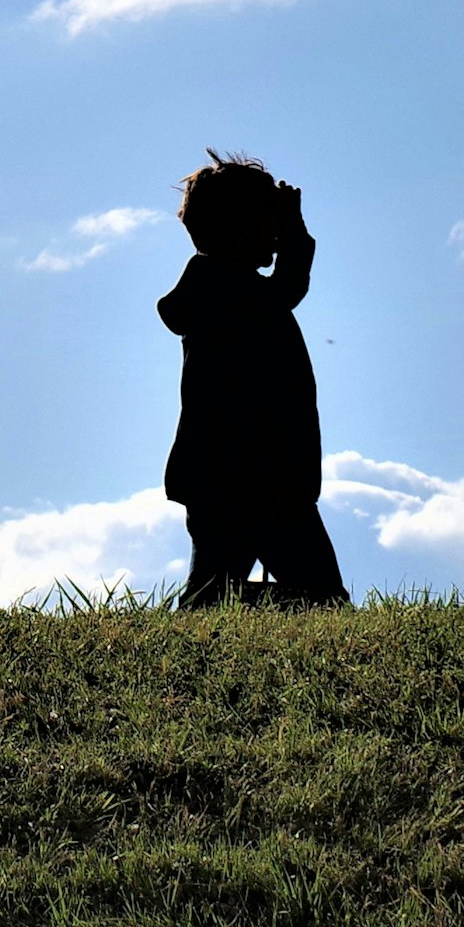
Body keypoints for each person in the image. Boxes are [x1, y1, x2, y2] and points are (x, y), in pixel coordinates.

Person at [156, 151, 349, 611]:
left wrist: (289, 229)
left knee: (216, 592)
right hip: (253, 475)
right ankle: (240, 606)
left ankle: (234, 606)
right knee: (320, 598)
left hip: (236, 475)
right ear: (239, 230)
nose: (276, 237)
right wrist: (296, 231)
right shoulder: (224, 289)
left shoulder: (226, 288)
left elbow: (284, 288)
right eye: (267, 225)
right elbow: (288, 287)